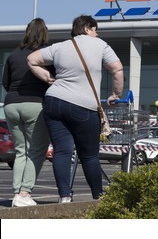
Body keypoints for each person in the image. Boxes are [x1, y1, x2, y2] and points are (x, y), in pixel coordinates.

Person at [27, 15, 124, 203]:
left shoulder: (60, 46)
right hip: (84, 106)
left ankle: (64, 196)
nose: (97, 33)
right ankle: (98, 195)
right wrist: (116, 94)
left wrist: (48, 78)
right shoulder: (101, 45)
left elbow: (31, 59)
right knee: (89, 155)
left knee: (62, 151)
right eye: (95, 29)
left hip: (54, 101)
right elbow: (117, 69)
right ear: (87, 28)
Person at [1, 18, 52, 207]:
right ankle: (24, 193)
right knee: (37, 150)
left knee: (21, 150)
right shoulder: (46, 54)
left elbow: (5, 82)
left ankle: (17, 193)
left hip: (11, 105)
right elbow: (53, 80)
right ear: (44, 33)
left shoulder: (13, 55)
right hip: (35, 104)